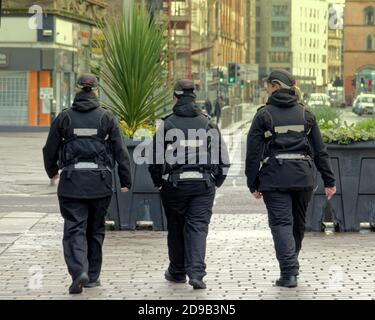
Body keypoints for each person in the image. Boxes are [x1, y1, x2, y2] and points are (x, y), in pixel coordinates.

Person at [245, 69, 336, 288]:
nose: (266, 89)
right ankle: (290, 265)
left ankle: (289, 273)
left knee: (281, 223)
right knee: (296, 225)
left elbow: (253, 153)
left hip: (275, 178)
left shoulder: (263, 115)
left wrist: (253, 182)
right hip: (303, 178)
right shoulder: (306, 114)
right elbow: (320, 150)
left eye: (268, 85)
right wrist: (329, 180)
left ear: (275, 86)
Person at [43, 74, 132, 294]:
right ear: (96, 91)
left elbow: (49, 148)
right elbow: (121, 152)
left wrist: (53, 171)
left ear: (77, 90)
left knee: (74, 229)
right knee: (95, 229)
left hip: (72, 183)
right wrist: (125, 181)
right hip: (99, 183)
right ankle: (92, 276)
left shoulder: (64, 118)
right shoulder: (107, 118)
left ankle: (78, 271)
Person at [148, 79, 230, 290]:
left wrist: (158, 182)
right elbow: (223, 157)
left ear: (175, 97)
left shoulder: (167, 123)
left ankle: (177, 272)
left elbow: (154, 158)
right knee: (198, 227)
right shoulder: (208, 123)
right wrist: (216, 181)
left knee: (176, 227)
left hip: (175, 185)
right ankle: (196, 273)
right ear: (195, 97)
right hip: (203, 185)